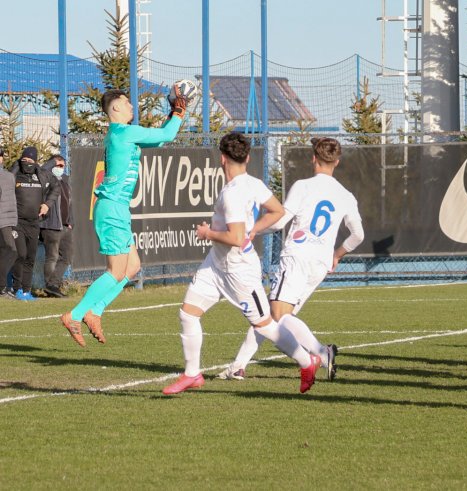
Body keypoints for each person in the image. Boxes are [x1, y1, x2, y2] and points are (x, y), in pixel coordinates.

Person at [162, 133, 321, 395]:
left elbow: (236, 238)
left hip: (239, 271)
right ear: (247, 158)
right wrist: (254, 228)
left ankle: (307, 361)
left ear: (222, 159)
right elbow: (277, 211)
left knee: (265, 325)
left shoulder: (233, 194)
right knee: (188, 313)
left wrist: (208, 233)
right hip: (215, 264)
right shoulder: (253, 183)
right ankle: (192, 374)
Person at [218, 137, 364, 382]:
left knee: (276, 313)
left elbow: (281, 220)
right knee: (269, 314)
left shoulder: (303, 186)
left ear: (313, 158)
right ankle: (238, 366)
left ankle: (321, 353)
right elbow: (358, 235)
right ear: (336, 162)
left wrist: (251, 230)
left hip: (297, 257)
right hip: (319, 263)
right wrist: (337, 255)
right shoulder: (346, 195)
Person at [60, 88, 187, 347]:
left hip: (116, 208)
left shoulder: (120, 134)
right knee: (116, 271)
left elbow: (160, 140)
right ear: (115, 108)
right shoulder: (124, 132)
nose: (132, 107)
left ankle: (95, 311)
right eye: (127, 103)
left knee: (132, 267)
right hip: (113, 209)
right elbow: (167, 134)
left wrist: (172, 113)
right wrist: (179, 112)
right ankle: (74, 315)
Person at [10, 146, 60, 301]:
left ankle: (26, 291)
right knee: (21, 255)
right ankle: (16, 288)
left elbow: (56, 187)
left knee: (30, 257)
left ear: (36, 161)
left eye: (30, 160)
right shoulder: (15, 174)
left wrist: (47, 204)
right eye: (24, 159)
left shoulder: (42, 175)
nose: (27, 162)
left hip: (34, 223)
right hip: (17, 222)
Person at [40, 155, 74, 298]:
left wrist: (71, 221)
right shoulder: (45, 178)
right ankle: (50, 286)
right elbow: (42, 170)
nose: (61, 168)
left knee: (67, 256)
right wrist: (52, 162)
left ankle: (54, 284)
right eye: (58, 165)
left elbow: (70, 202)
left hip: (66, 226)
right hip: (51, 225)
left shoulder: (65, 180)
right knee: (52, 257)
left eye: (62, 166)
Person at [0, 147, 19, 299]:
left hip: (7, 220)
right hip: (3, 220)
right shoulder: (6, 176)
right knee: (11, 250)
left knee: (9, 251)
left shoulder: (8, 176)